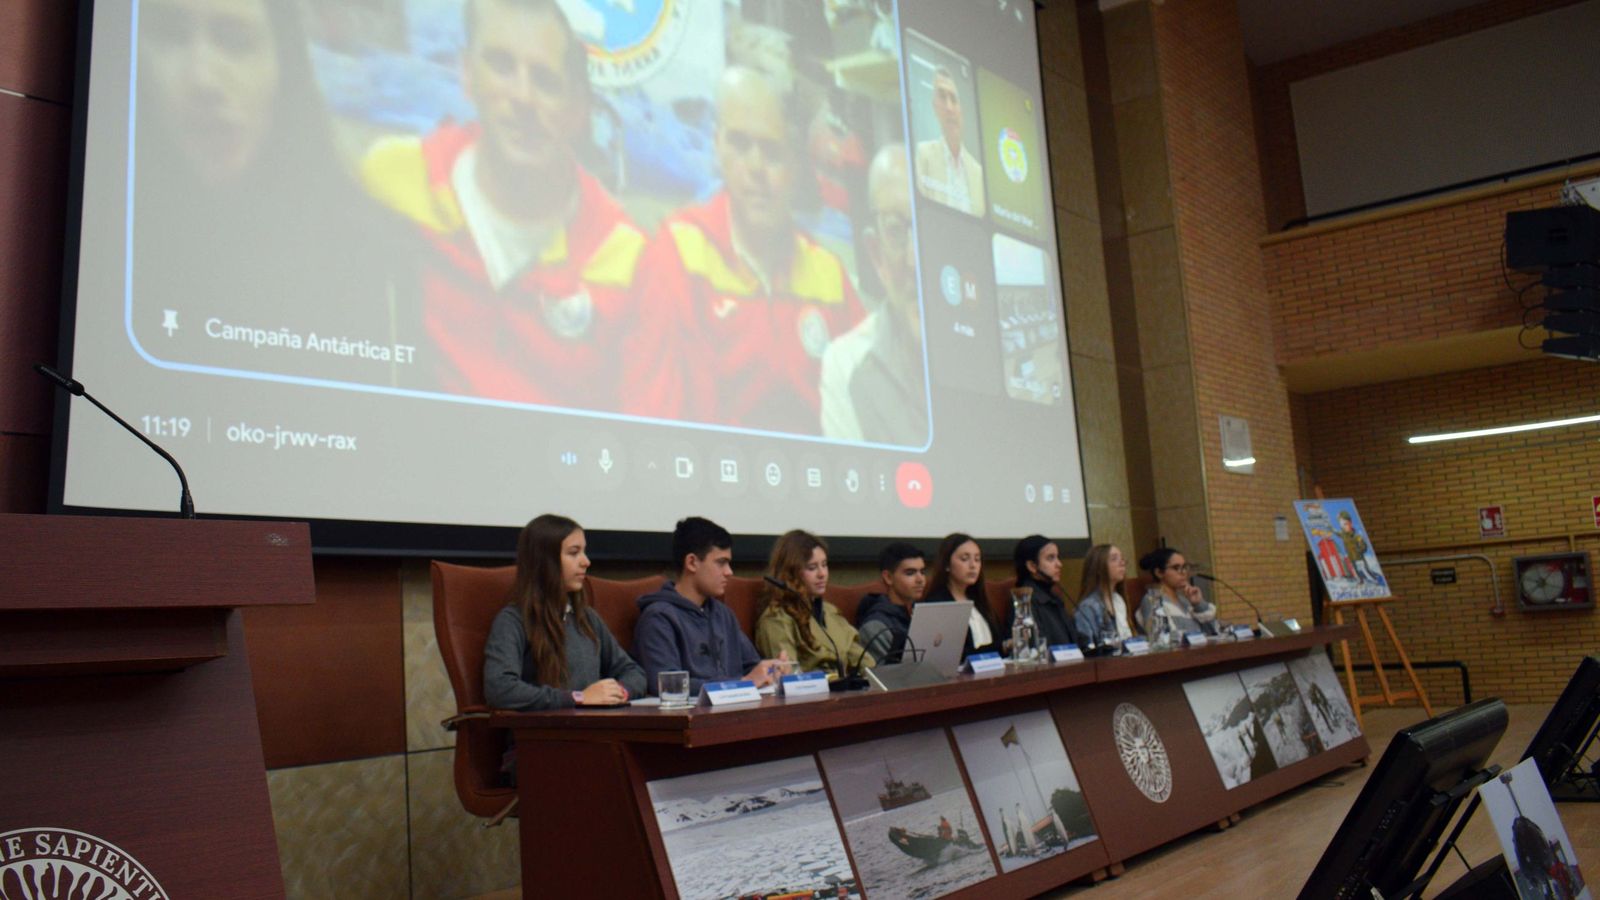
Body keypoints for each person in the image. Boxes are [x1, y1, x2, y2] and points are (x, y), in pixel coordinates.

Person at [360, 0, 645, 407]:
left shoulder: (627, 260)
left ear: (578, 111)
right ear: (467, 74)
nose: (522, 96)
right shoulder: (396, 178)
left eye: (546, 81)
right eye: (500, 65)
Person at [133, 0, 407, 384]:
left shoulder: (377, 252)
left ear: (285, 68)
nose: (203, 80)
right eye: (172, 37)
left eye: (235, 42)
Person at [625, 66, 866, 434]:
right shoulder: (679, 253)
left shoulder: (829, 274)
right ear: (718, 146)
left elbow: (869, 401)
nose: (755, 167)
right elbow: (654, 410)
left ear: (794, 164)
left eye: (772, 151)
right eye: (740, 145)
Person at [820, 144, 929, 446]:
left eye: (928, 229)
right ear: (876, 254)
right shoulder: (845, 367)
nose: (915, 260)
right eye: (895, 230)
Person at [483, 514, 646, 712]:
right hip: (547, 728)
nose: (586, 561)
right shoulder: (513, 620)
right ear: (545, 560)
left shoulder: (586, 618)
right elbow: (500, 689)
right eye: (574, 553)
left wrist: (619, 692)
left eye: (584, 552)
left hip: (593, 725)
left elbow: (633, 672)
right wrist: (578, 698)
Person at [632, 517, 785, 695]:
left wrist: (773, 670)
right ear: (692, 562)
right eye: (721, 562)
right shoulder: (658, 617)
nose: (729, 572)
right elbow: (666, 684)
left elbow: (752, 667)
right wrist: (742, 682)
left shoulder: (723, 614)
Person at [754, 530, 874, 676]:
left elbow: (865, 662)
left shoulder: (830, 612)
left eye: (824, 565)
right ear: (791, 573)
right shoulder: (776, 619)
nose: (822, 574)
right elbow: (789, 677)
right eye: (812, 568)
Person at [913, 67, 984, 216]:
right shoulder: (924, 155)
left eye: (953, 99)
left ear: (961, 109)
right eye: (942, 97)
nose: (949, 108)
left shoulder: (978, 173)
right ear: (935, 107)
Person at [923, 533, 999, 659]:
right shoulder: (938, 604)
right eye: (964, 559)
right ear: (947, 565)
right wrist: (1001, 647)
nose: (973, 565)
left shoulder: (980, 600)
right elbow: (953, 655)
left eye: (977, 559)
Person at [856, 542, 927, 663]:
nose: (920, 579)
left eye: (922, 572)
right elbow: (880, 673)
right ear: (888, 577)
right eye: (910, 573)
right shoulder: (876, 626)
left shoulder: (924, 614)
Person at [1004, 535, 1080, 649]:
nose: (1059, 564)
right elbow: (1035, 646)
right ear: (1032, 566)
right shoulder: (1025, 601)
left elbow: (1075, 639)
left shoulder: (1054, 597)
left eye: (1057, 557)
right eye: (1050, 558)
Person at [1135, 547, 1220, 647]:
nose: (1183, 572)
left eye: (1184, 567)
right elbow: (1161, 639)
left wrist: (1198, 604)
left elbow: (1214, 632)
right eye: (1176, 568)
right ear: (1159, 573)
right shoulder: (1152, 600)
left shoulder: (1185, 601)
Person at [1073, 544, 1133, 649]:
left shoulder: (1118, 600)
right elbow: (1088, 649)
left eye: (1122, 558)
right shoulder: (1088, 607)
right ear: (1098, 568)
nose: (1122, 563)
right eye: (1114, 559)